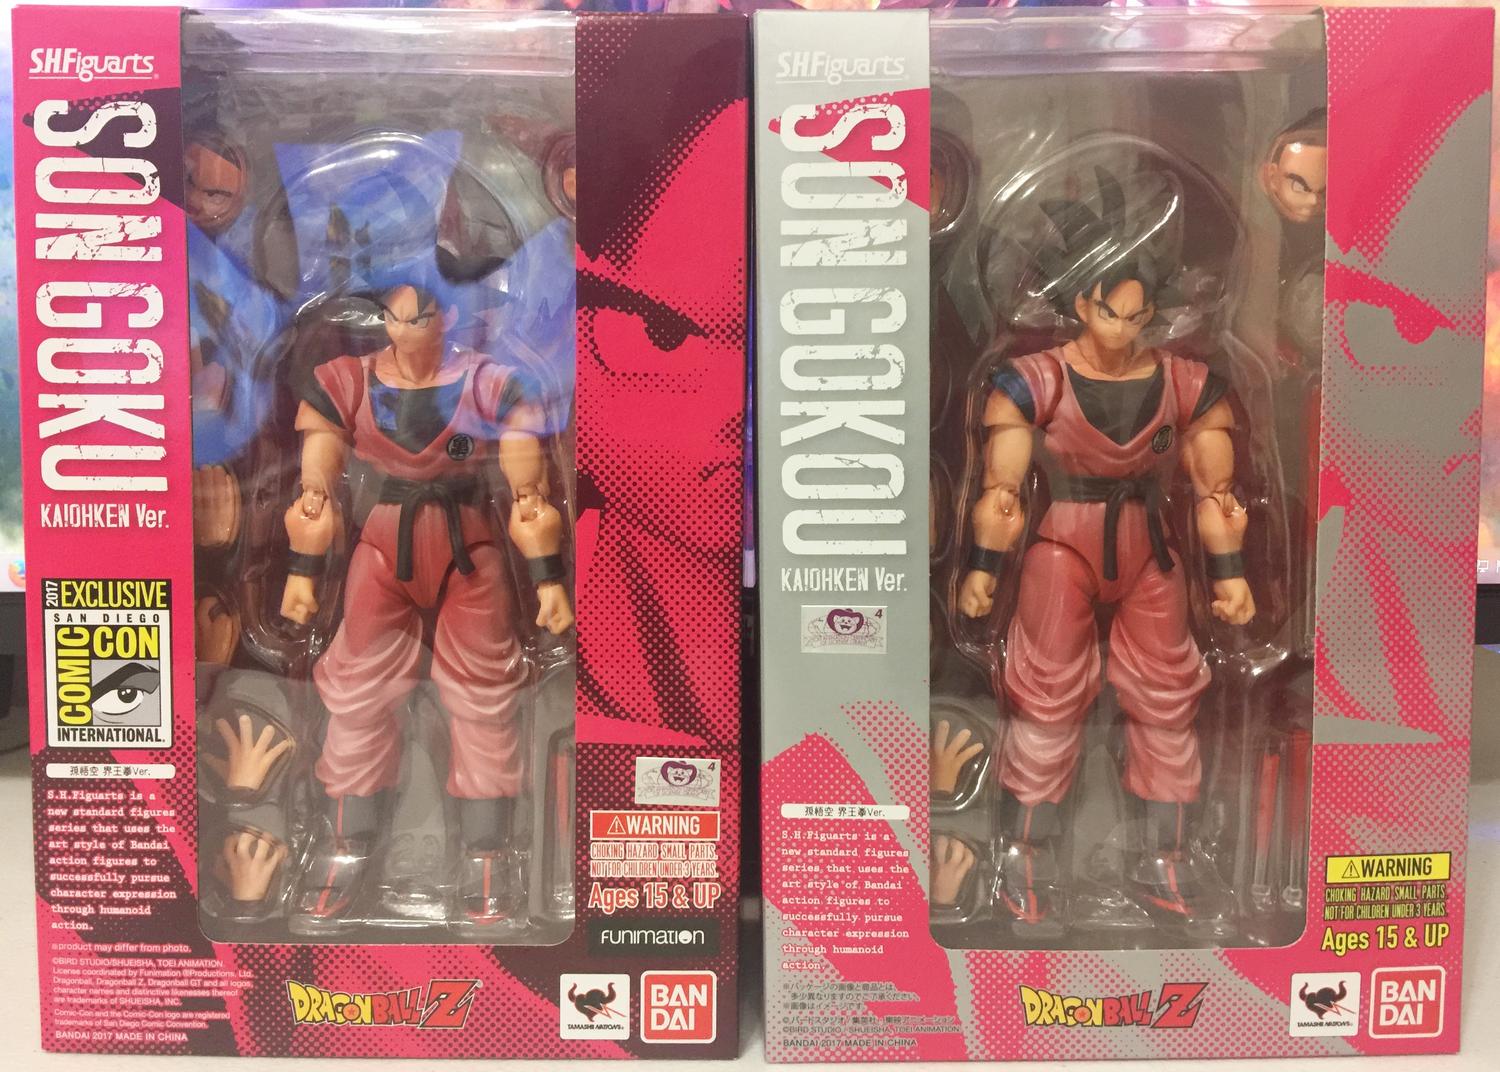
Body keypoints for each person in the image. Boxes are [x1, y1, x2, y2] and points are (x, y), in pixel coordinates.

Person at [956, 168, 1255, 935]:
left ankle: (1167, 859)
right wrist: (983, 571)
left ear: (1153, 308)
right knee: (1048, 703)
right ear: (1080, 303)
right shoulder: (1034, 383)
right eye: (1108, 310)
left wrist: (1229, 577)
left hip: (1152, 551)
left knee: (1167, 705)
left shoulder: (1189, 384)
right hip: (1062, 549)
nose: (1123, 327)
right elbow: (1001, 492)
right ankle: (1025, 860)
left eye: (1137, 312)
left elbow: (1217, 497)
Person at [281, 279, 573, 927]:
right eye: (395, 316)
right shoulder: (346, 382)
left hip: (472, 550)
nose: (405, 329)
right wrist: (302, 575)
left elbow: (529, 499)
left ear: (451, 316)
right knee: (357, 691)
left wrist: (549, 581)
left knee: (485, 695)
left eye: (421, 317)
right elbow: (314, 495)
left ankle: (487, 854)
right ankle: (345, 846)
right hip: (383, 547)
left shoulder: (493, 384)